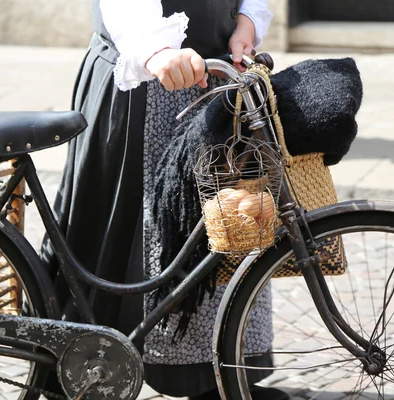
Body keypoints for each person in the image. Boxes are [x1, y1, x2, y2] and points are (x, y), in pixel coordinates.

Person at [40, 1, 286, 399]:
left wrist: (245, 23)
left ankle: (216, 377)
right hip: (145, 83)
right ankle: (81, 374)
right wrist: (156, 52)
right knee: (122, 246)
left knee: (227, 229)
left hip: (217, 77)